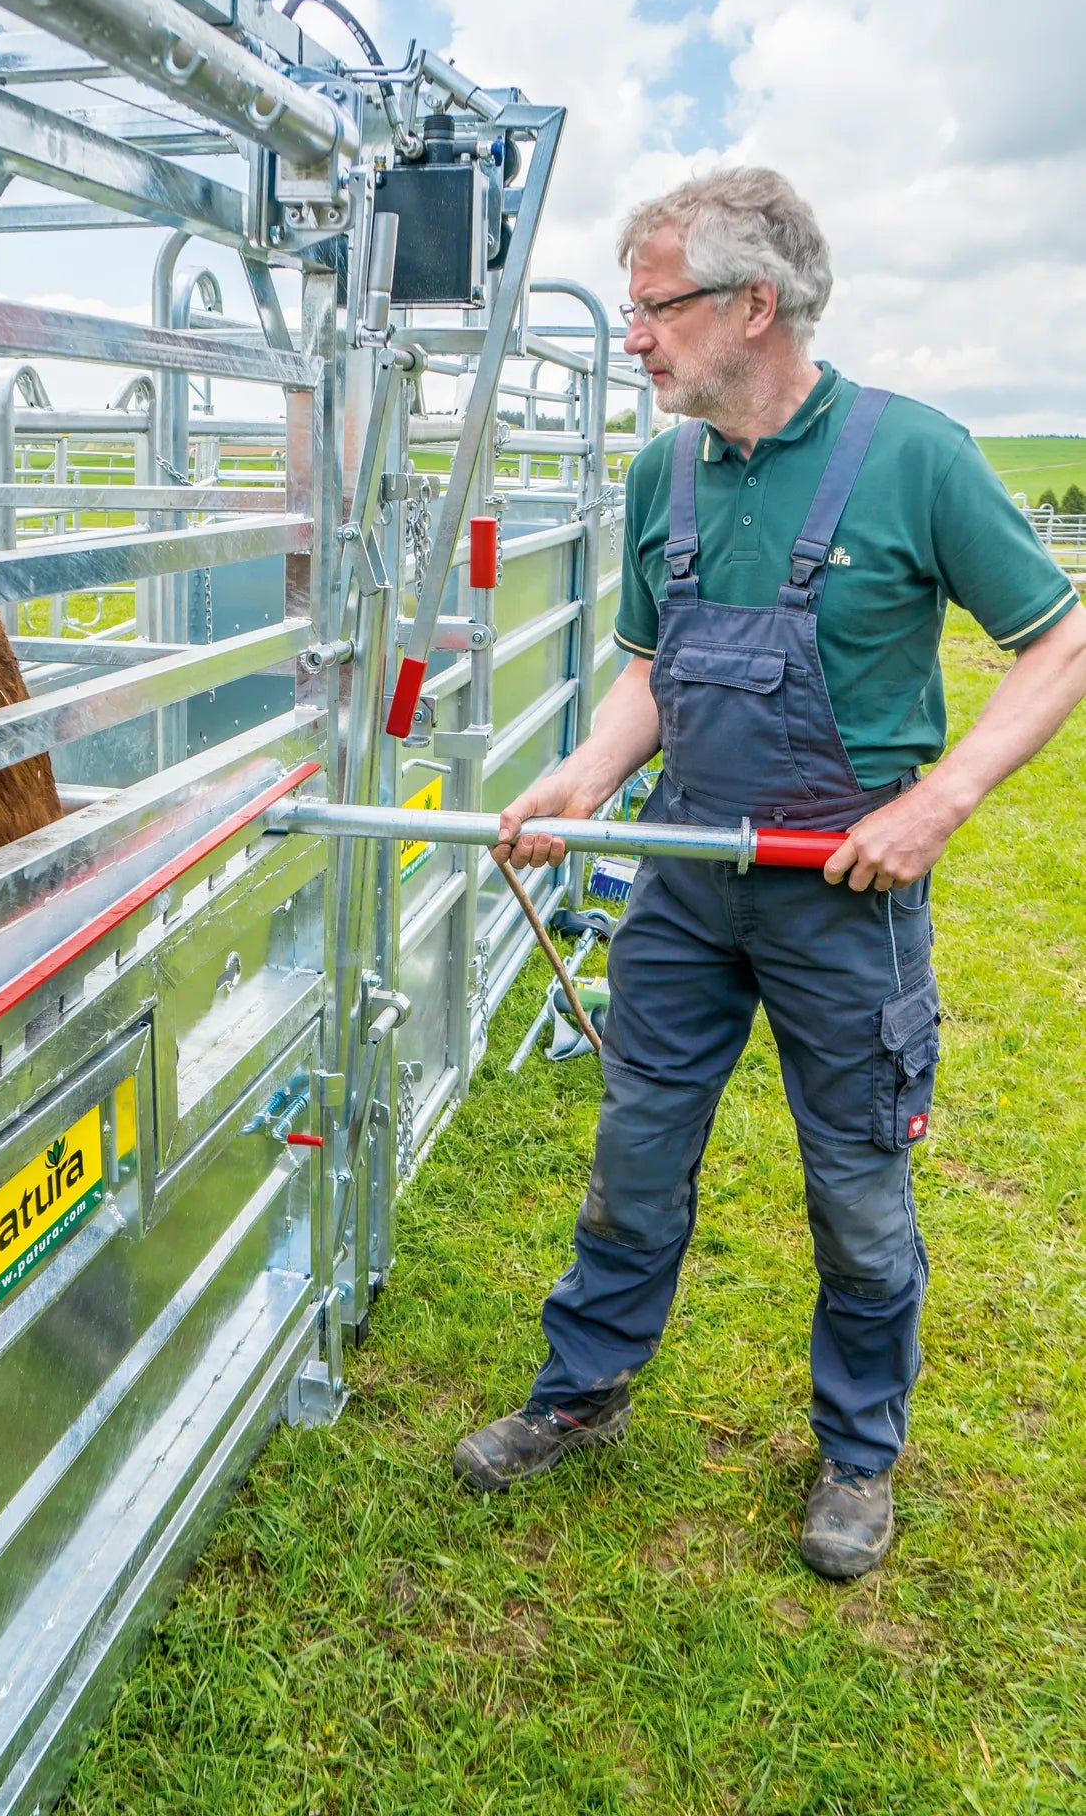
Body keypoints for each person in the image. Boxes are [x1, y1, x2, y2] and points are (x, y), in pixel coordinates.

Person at [453, 167, 1086, 1578]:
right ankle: (584, 1391)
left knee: (856, 1188)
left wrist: (937, 802)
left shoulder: (911, 457)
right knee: (633, 1153)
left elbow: (1059, 643)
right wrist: (582, 780)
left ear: (752, 304)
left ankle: (857, 1453)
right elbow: (646, 676)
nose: (632, 338)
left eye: (651, 307)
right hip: (684, 869)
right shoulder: (659, 473)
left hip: (840, 890)